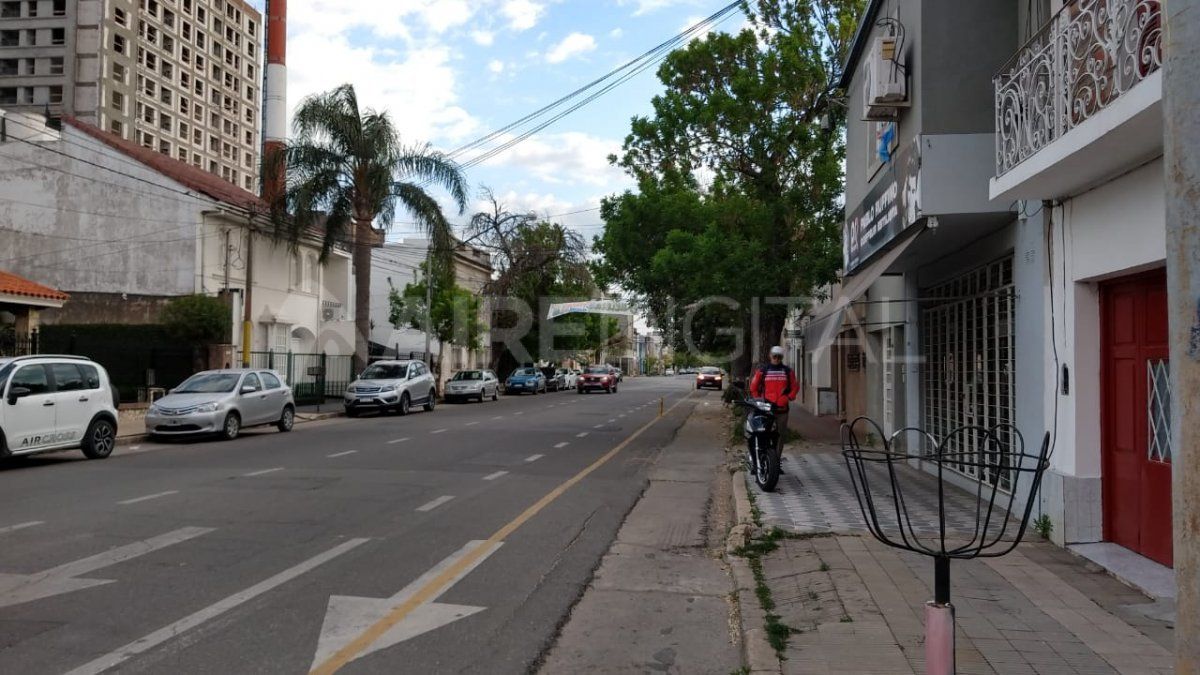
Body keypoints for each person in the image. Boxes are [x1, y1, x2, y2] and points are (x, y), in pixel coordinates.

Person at [748, 346, 798, 439]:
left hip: (782, 409)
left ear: (782, 357)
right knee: (764, 433)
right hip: (766, 409)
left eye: (779, 357)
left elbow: (795, 387)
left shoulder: (788, 371)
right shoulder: (763, 371)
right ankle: (764, 453)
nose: (777, 359)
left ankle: (776, 454)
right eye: (774, 356)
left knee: (780, 436)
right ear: (770, 356)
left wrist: (788, 398)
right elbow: (753, 387)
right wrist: (758, 400)